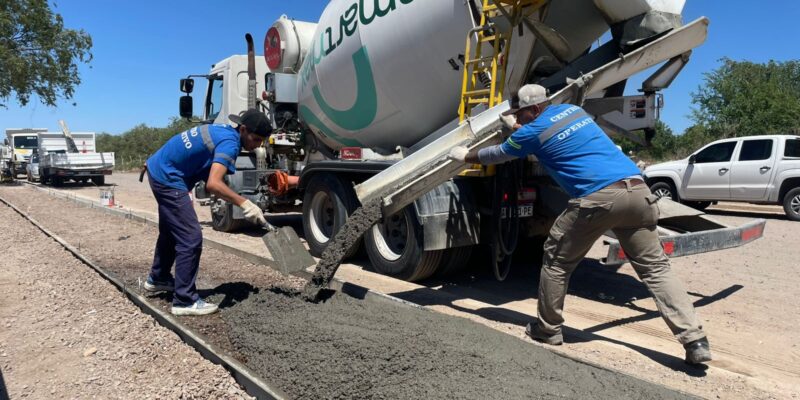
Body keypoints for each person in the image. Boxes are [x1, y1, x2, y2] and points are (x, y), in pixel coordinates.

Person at [448, 84, 712, 365]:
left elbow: (500, 153)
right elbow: (546, 134)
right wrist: (519, 126)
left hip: (598, 199)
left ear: (535, 109)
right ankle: (695, 340)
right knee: (656, 269)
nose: (519, 118)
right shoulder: (574, 111)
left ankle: (547, 329)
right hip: (638, 192)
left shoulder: (530, 131)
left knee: (556, 262)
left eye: (521, 113)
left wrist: (466, 156)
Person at [143, 109, 271, 316]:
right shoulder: (230, 144)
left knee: (170, 231)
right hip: (168, 178)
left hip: (159, 168)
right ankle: (184, 301)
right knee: (190, 238)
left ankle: (158, 278)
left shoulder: (222, 130)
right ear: (243, 129)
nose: (257, 145)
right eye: (256, 139)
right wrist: (245, 204)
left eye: (261, 142)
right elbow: (213, 184)